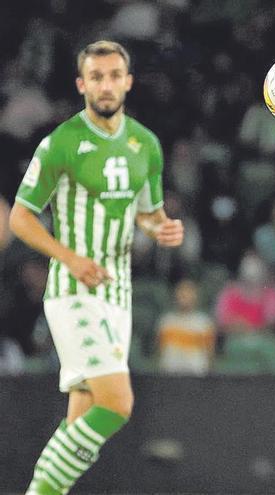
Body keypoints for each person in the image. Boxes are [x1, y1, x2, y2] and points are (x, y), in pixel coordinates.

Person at [8, 40, 184, 495]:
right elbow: (20, 217)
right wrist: (70, 257)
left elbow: (148, 211)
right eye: (97, 77)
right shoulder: (61, 143)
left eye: (114, 76)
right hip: (74, 292)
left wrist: (160, 228)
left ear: (127, 82)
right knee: (118, 404)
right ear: (82, 84)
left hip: (118, 296)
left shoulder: (145, 144)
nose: (106, 85)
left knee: (81, 418)